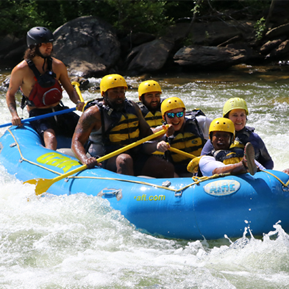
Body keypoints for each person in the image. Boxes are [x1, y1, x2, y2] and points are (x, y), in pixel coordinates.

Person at [71, 74, 175, 178]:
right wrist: (85, 159)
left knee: (166, 167)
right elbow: (77, 141)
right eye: (115, 92)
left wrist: (163, 130)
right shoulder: (93, 113)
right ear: (104, 94)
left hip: (135, 154)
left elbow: (147, 133)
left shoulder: (133, 107)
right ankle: (126, 191)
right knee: (125, 160)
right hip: (106, 157)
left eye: (122, 91)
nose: (120, 95)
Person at [6, 26, 84, 150]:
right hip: (38, 114)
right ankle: (53, 164)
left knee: (87, 127)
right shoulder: (21, 70)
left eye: (50, 43)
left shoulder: (58, 65)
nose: (49, 46)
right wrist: (14, 115)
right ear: (33, 46)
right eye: (44, 44)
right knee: (51, 138)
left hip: (59, 110)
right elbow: (10, 94)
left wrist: (78, 102)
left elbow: (70, 90)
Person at [201, 97, 274, 169]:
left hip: (252, 176)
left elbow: (268, 161)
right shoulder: (217, 138)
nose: (239, 119)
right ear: (227, 118)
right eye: (234, 115)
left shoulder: (254, 138)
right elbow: (202, 164)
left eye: (242, 115)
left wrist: (264, 174)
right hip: (223, 176)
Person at [156, 97, 212, 177]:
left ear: (184, 113)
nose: (176, 119)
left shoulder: (201, 122)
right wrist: (157, 145)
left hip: (202, 169)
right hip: (178, 175)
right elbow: (145, 146)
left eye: (179, 114)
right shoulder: (161, 132)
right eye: (171, 115)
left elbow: (222, 131)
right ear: (164, 117)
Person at [189, 117, 261, 177]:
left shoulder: (241, 155)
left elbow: (263, 170)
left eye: (225, 136)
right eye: (217, 135)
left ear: (232, 139)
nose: (221, 138)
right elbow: (217, 171)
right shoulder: (205, 160)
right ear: (211, 138)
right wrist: (243, 165)